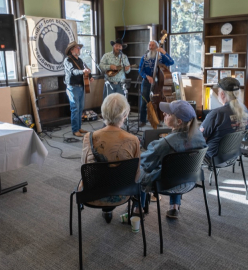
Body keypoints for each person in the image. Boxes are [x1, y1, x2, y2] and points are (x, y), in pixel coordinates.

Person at [135, 100, 206, 219]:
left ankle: (138, 208)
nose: (163, 114)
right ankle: (174, 206)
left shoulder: (164, 144)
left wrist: (135, 148)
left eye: (168, 114)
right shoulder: (200, 138)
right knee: (178, 166)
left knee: (138, 169)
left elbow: (144, 162)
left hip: (167, 184)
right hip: (190, 181)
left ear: (178, 122)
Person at [80, 93, 141, 223]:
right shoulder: (133, 140)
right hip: (123, 194)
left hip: (93, 194)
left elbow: (85, 169)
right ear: (125, 115)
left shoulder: (89, 137)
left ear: (103, 112)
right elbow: (136, 175)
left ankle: (106, 210)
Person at [199, 77, 248, 166]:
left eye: (218, 91)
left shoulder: (216, 113)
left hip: (214, 157)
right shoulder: (244, 110)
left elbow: (200, 139)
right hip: (233, 154)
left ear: (222, 94)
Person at [139, 40, 175, 127]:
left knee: (158, 102)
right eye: (149, 45)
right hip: (147, 82)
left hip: (159, 83)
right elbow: (140, 70)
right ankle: (143, 120)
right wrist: (147, 76)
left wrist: (164, 52)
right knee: (144, 101)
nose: (150, 47)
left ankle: (158, 119)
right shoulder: (144, 57)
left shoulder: (161, 57)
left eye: (152, 45)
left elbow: (171, 62)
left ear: (156, 47)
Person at [64, 41, 93, 137]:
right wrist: (83, 71)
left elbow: (86, 69)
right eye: (77, 48)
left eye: (79, 48)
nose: (79, 49)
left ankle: (79, 127)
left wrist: (90, 76)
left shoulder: (80, 60)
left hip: (81, 86)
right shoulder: (68, 60)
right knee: (75, 108)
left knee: (80, 108)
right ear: (72, 50)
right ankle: (75, 130)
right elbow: (73, 72)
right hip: (72, 87)